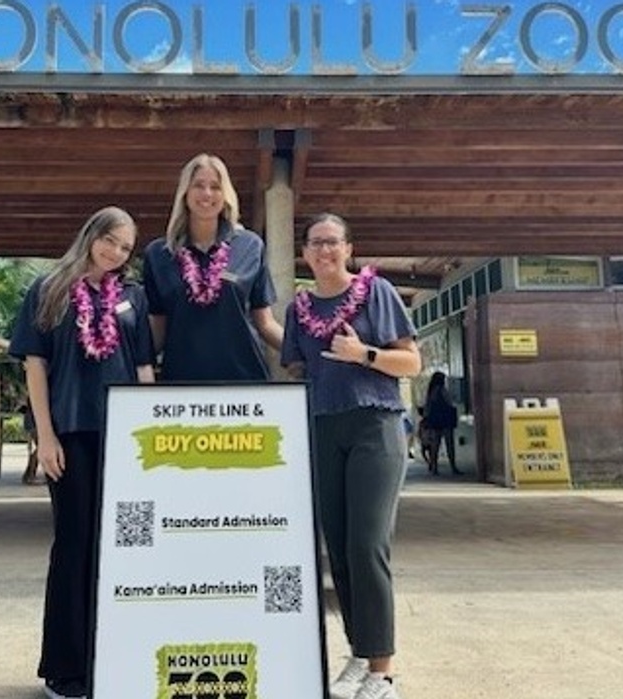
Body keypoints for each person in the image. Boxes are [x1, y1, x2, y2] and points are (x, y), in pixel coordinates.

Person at [8, 206, 155, 699]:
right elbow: (35, 366)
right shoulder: (49, 290)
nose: (115, 252)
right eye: (110, 241)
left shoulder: (132, 297)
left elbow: (143, 369)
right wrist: (44, 436)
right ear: (91, 235)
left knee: (116, 550)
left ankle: (107, 658)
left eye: (125, 248)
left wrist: (149, 436)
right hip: (70, 433)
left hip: (122, 435)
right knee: (73, 544)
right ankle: (64, 667)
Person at [281, 213, 421, 699]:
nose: (324, 251)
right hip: (323, 427)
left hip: (375, 425)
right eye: (315, 243)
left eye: (333, 243)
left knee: (366, 545)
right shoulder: (299, 309)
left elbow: (412, 361)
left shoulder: (376, 292)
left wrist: (364, 354)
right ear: (304, 253)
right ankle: (360, 656)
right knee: (337, 549)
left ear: (349, 248)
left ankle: (383, 673)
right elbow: (297, 368)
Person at [142, 153, 283, 381]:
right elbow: (157, 328)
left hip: (245, 380)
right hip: (181, 383)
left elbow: (265, 323)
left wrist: (306, 353)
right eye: (198, 185)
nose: (207, 194)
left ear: (225, 194)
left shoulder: (250, 245)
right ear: (185, 193)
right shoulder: (158, 254)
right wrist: (130, 361)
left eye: (215, 187)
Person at [422, 372, 460, 475]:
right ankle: (453, 466)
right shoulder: (442, 390)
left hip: (434, 420)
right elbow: (449, 402)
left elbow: (427, 406)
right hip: (446, 419)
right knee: (449, 444)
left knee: (435, 445)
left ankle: (434, 467)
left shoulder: (431, 392)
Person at [20, 399, 40, 485]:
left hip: (32, 421)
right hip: (34, 422)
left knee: (38, 448)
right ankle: (31, 476)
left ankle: (28, 474)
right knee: (39, 448)